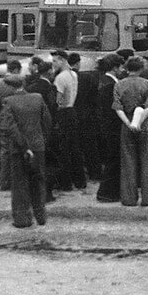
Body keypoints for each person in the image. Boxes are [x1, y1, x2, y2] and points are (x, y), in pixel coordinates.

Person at [0, 80, 51, 228]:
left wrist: (24, 146)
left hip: (18, 150)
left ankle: (22, 219)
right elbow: (47, 121)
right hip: (38, 146)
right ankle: (41, 216)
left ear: (10, 87)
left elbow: (11, 128)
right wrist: (42, 140)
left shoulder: (8, 101)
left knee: (20, 184)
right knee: (38, 182)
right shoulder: (38, 98)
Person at [112, 57, 148, 206]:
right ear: (140, 68)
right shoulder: (146, 83)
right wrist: (139, 121)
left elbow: (117, 108)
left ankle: (128, 198)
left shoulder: (119, 84)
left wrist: (128, 123)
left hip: (126, 122)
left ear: (127, 68)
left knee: (128, 160)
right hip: (144, 123)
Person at [50, 49, 86, 191]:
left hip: (63, 113)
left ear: (62, 60)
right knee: (75, 148)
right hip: (72, 111)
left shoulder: (60, 78)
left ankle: (65, 182)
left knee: (63, 149)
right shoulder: (74, 75)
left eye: (54, 61)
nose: (53, 64)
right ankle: (80, 180)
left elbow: (58, 100)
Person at [95, 53, 125, 203]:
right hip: (112, 127)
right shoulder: (111, 85)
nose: (122, 69)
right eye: (120, 66)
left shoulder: (103, 81)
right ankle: (107, 192)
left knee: (111, 160)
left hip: (106, 127)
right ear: (115, 68)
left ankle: (108, 192)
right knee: (113, 161)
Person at [0, 59, 26, 191]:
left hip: (2, 120)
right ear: (17, 70)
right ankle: (16, 181)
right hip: (17, 121)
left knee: (4, 152)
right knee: (18, 151)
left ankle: (4, 181)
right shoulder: (20, 83)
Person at [71, 52, 102, 182]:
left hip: (71, 115)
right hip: (87, 116)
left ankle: (77, 175)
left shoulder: (62, 77)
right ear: (78, 63)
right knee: (90, 147)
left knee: (74, 147)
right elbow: (95, 97)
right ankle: (95, 173)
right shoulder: (88, 78)